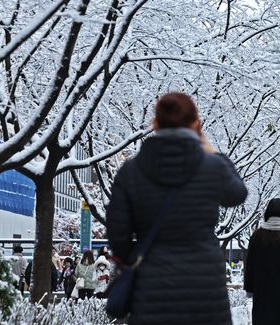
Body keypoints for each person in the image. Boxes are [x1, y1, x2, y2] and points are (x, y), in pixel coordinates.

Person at [106, 92, 247, 324]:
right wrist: (213, 152)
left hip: (152, 284)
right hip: (205, 283)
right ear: (196, 124)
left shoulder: (131, 171)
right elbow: (237, 194)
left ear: (155, 123)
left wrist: (142, 255)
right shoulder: (212, 167)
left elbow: (117, 235)